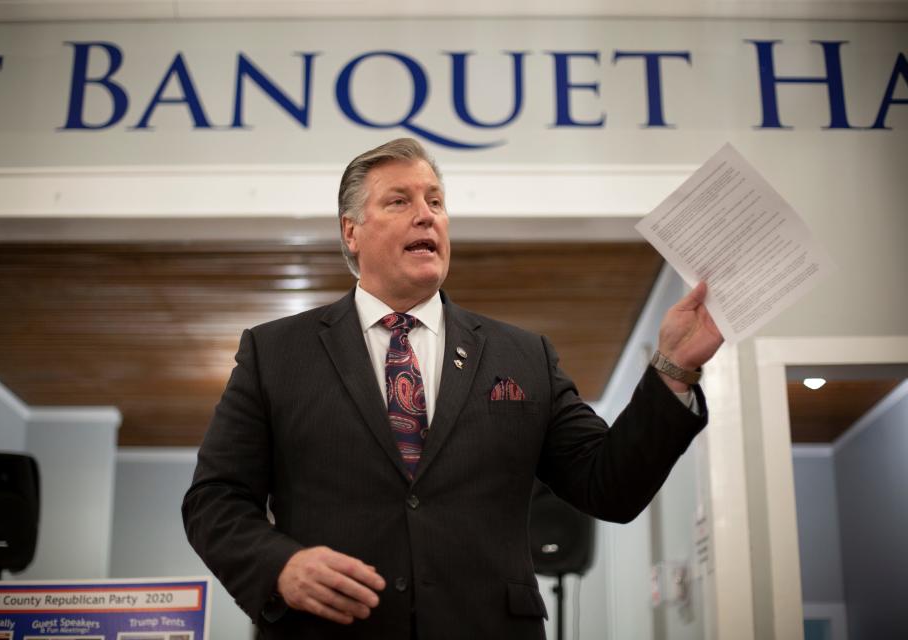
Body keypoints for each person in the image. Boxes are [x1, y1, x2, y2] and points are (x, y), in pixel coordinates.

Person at [182, 138, 723, 639]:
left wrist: (673, 368)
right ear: (351, 231)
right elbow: (215, 500)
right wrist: (280, 566)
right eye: (399, 201)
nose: (426, 214)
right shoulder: (275, 353)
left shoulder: (523, 356)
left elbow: (611, 486)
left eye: (435, 201)